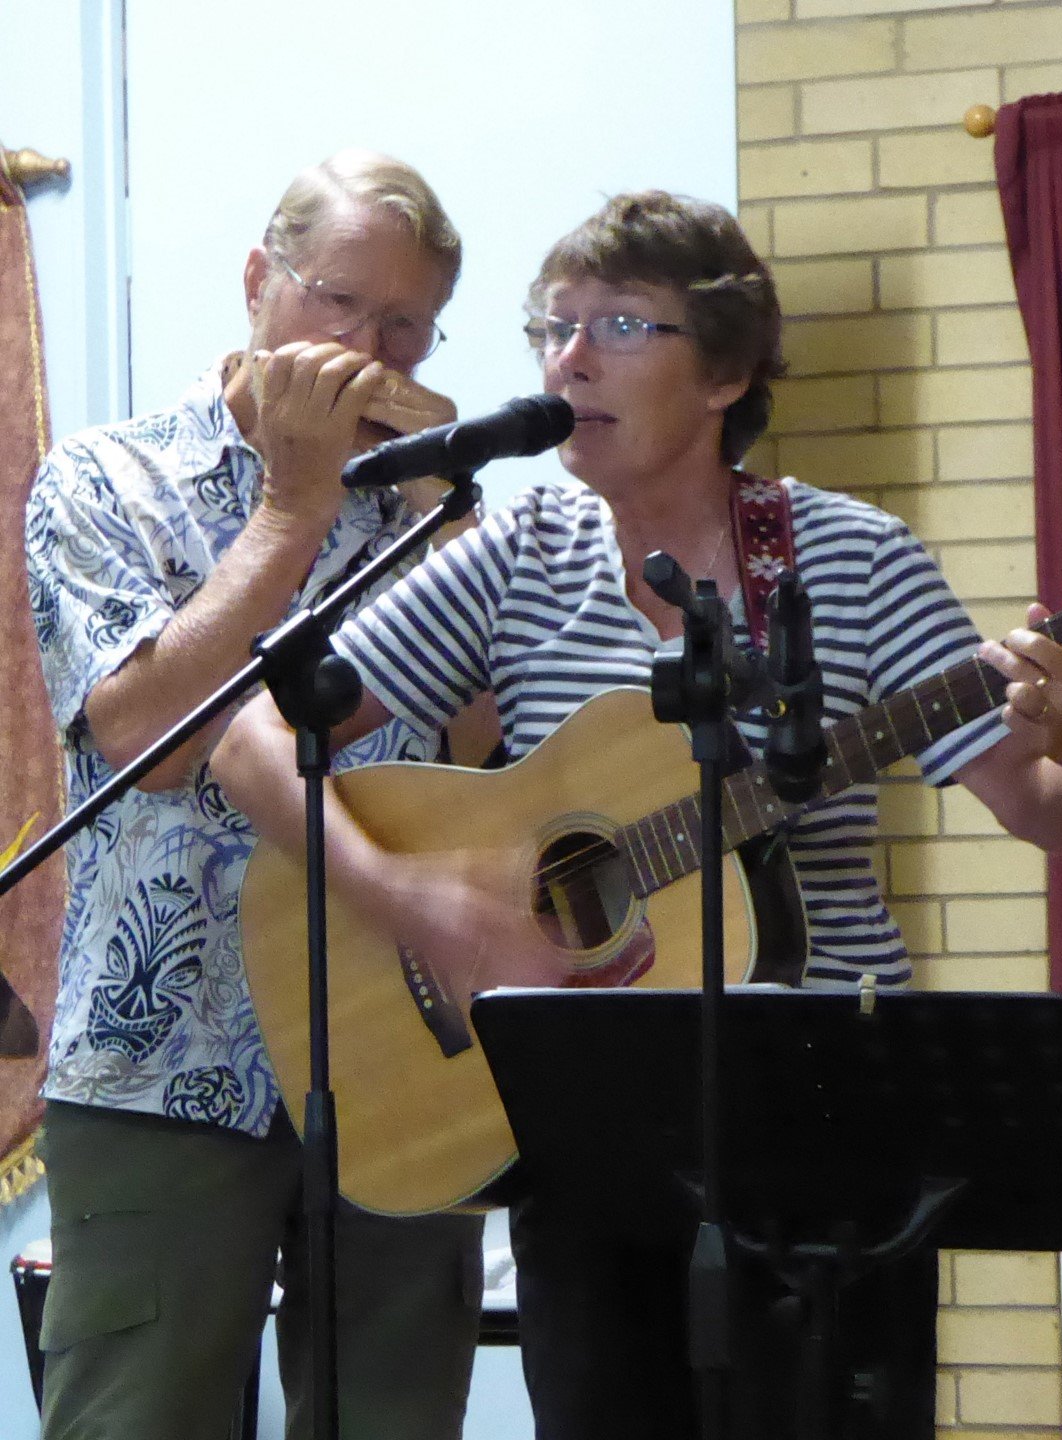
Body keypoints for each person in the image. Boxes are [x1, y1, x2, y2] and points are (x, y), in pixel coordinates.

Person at [211, 190, 1062, 1439]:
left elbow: (1048, 813)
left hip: (825, 1120)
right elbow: (249, 738)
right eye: (556, 326)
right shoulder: (514, 551)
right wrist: (413, 901)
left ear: (728, 377)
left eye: (621, 329)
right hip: (586, 1119)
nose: (569, 360)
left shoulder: (852, 561)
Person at [25, 150, 499, 1440]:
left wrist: (445, 528)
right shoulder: (102, 481)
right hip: (162, 1056)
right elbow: (145, 737)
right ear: (256, 283)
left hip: (399, 1045)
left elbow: (488, 762)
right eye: (341, 303)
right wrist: (294, 505)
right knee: (138, 1418)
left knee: (396, 1419)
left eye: (406, 323)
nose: (368, 346)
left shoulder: (434, 500)